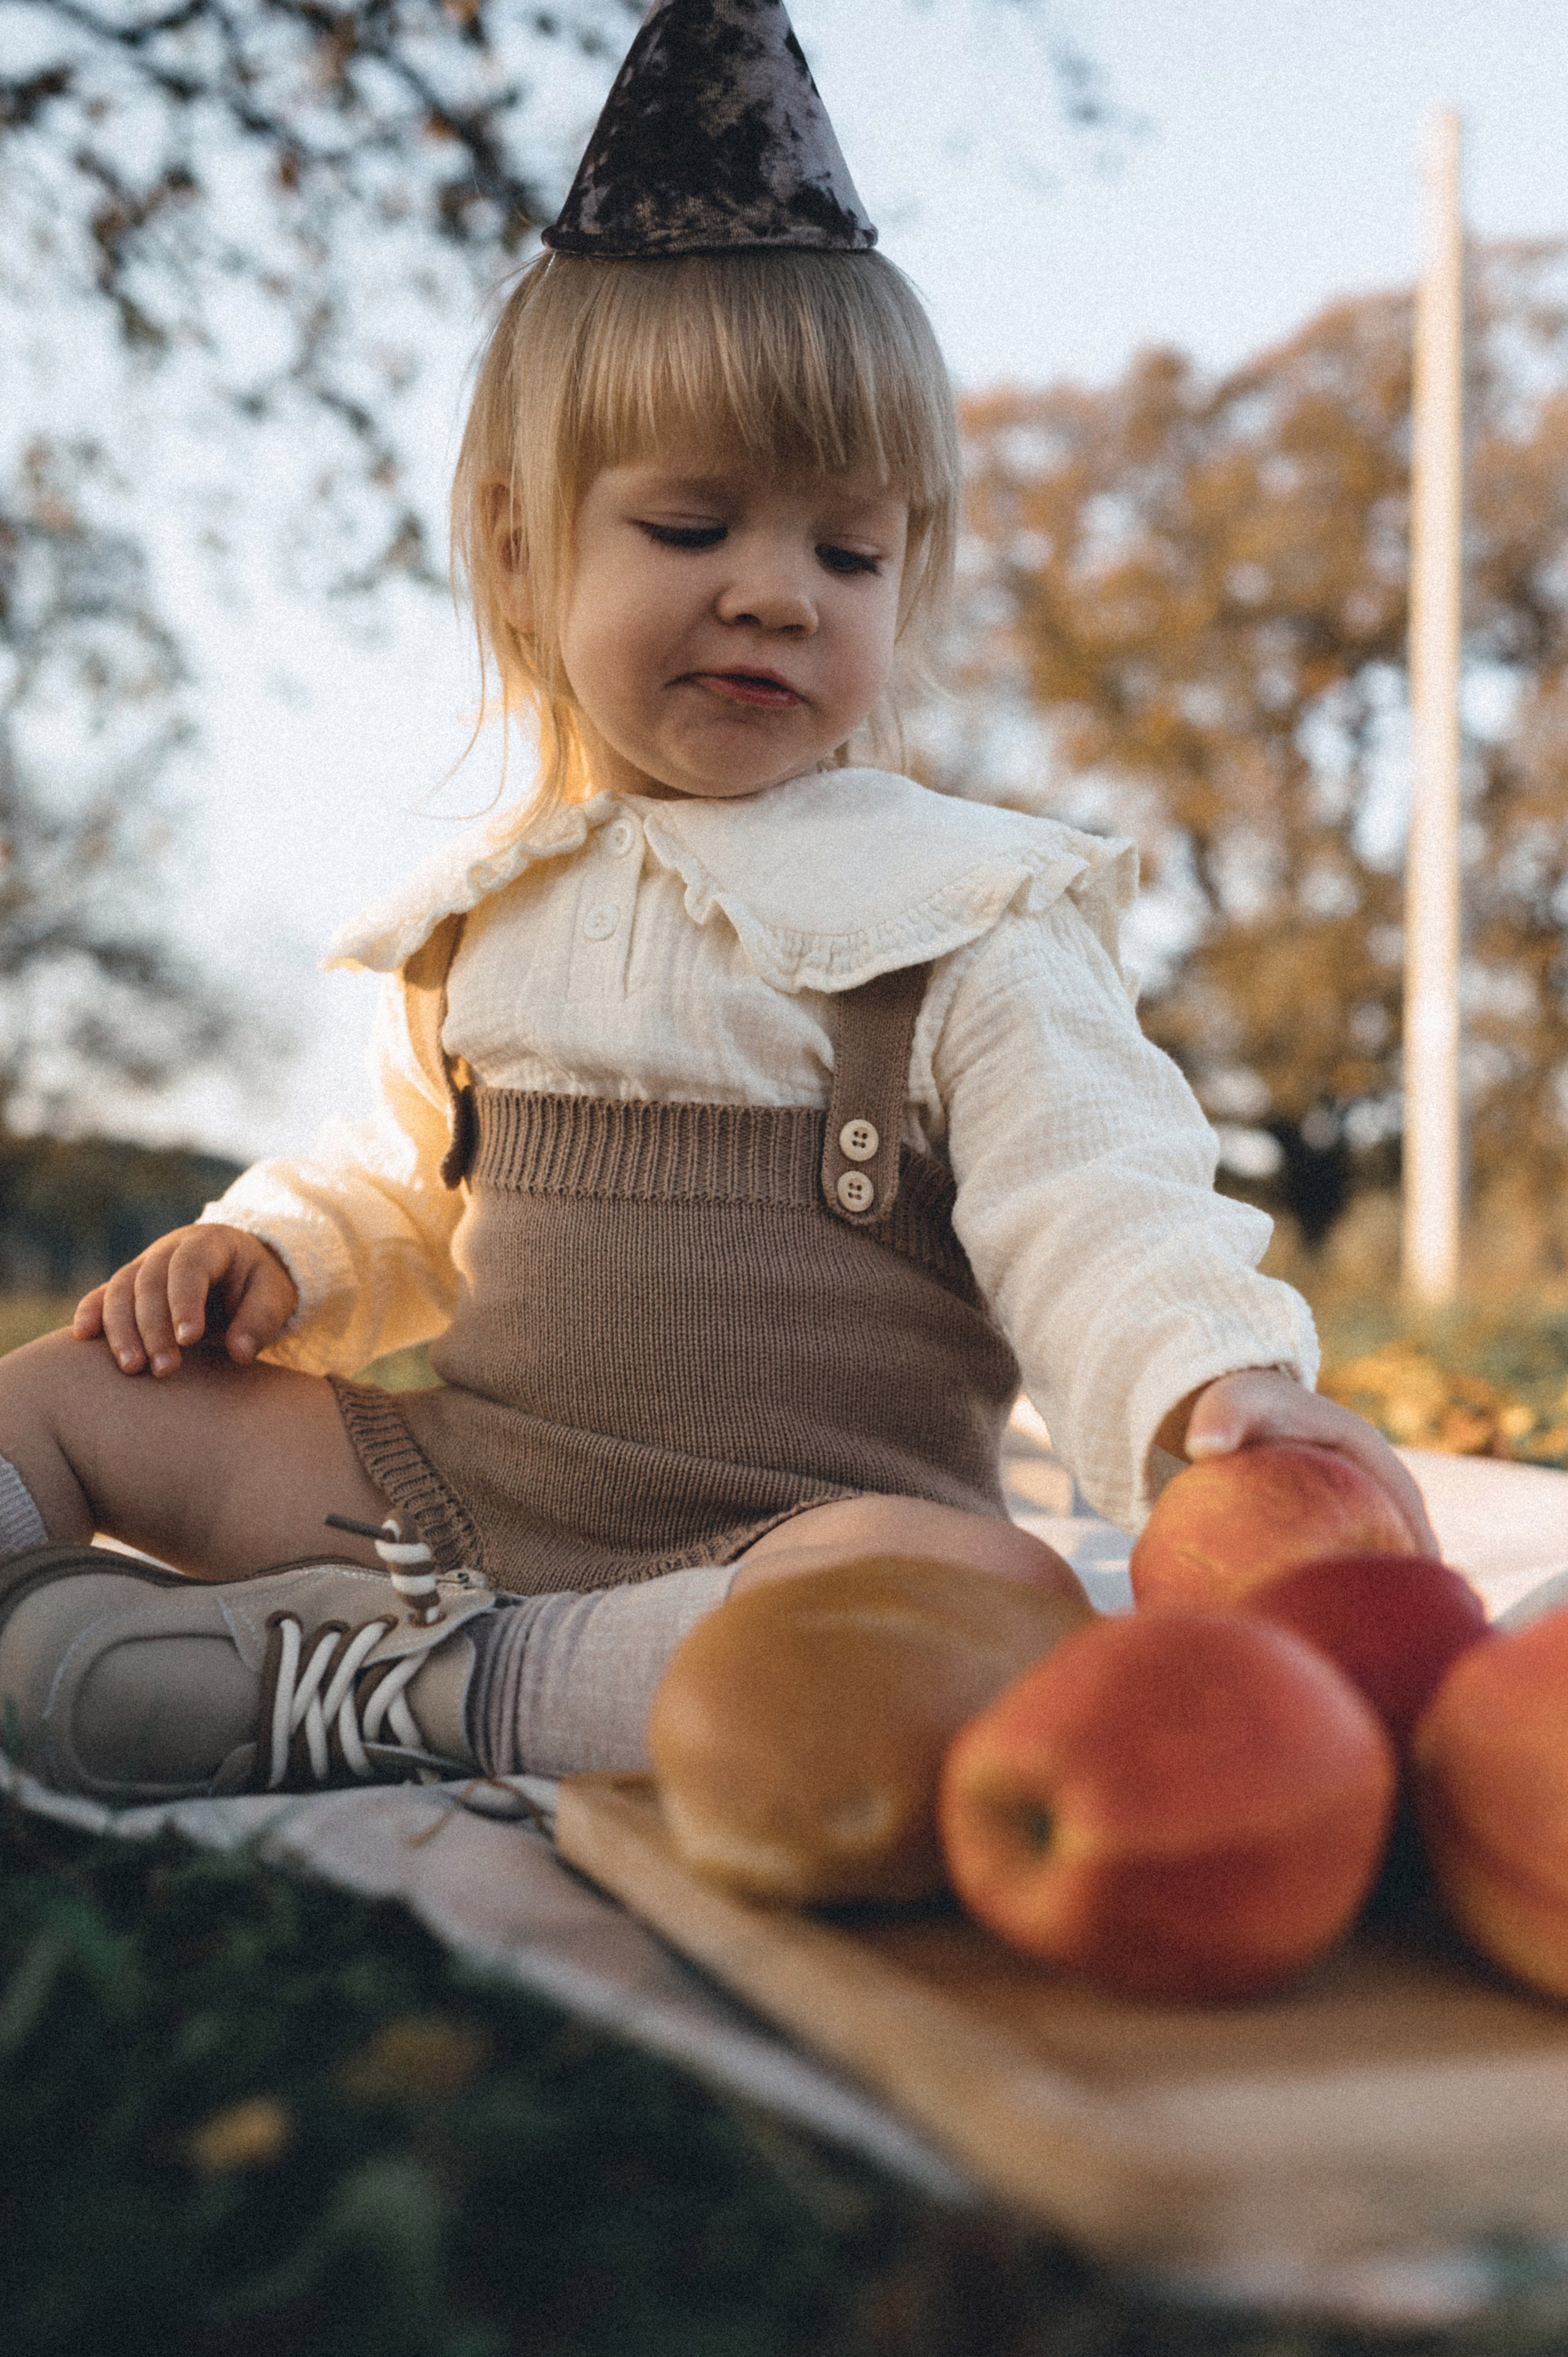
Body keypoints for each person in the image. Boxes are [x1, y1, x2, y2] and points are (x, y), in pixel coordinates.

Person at [0, 0, 1434, 1805]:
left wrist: (1208, 1389)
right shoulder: (482, 920)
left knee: (985, 1604)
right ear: (525, 549)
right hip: (449, 1502)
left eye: (848, 551)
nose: (777, 595)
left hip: (803, 1553)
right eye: (693, 530)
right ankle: (174, 1633)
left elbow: (1101, 1202)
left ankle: (429, 1700)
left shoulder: (966, 911)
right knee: (65, 1390)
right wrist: (266, 1258)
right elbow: (392, 1184)